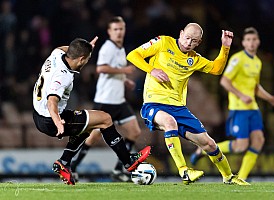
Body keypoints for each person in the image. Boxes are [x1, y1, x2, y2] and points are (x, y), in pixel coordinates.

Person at [127, 23, 249, 185]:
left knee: (209, 143)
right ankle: (184, 171)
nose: (188, 42)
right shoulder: (163, 42)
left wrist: (225, 47)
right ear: (181, 33)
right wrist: (152, 70)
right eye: (187, 37)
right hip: (154, 103)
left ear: (198, 43)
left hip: (178, 108)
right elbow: (133, 55)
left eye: (194, 40)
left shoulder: (194, 59)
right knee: (169, 122)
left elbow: (216, 69)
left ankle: (228, 177)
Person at [32, 36, 151, 185]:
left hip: (38, 114)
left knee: (88, 124)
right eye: (87, 59)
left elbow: (65, 48)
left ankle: (64, 162)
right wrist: (58, 123)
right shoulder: (63, 76)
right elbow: (52, 102)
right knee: (105, 119)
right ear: (81, 59)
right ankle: (128, 162)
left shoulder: (57, 54)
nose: (87, 62)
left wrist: (86, 47)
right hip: (51, 118)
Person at [190, 27, 274, 181]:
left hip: (253, 109)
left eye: (254, 40)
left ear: (258, 42)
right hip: (239, 109)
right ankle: (204, 150)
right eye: (248, 40)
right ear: (244, 43)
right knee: (240, 147)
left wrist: (269, 98)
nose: (251, 43)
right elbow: (224, 81)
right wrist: (241, 96)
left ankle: (241, 178)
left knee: (259, 141)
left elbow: (255, 87)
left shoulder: (257, 62)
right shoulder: (238, 59)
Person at [70, 16, 142, 182]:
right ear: (109, 31)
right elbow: (101, 68)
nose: (119, 32)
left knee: (134, 131)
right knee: (93, 137)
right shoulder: (107, 48)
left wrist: (126, 80)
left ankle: (119, 169)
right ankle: (73, 166)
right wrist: (124, 71)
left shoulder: (120, 49)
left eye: (121, 29)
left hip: (119, 101)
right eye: (115, 29)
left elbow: (115, 70)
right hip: (105, 100)